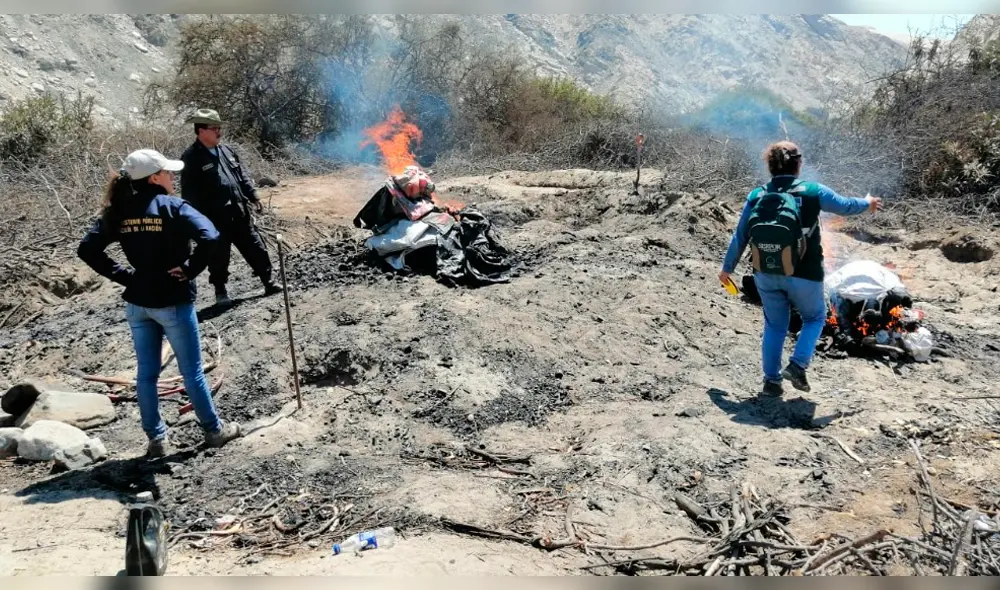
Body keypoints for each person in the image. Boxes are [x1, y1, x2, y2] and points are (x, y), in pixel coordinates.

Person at [78, 149, 242, 457]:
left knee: (146, 374)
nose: (172, 177)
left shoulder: (119, 210)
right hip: (172, 301)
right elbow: (210, 236)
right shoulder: (172, 207)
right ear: (154, 178)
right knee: (192, 371)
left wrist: (125, 277)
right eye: (167, 172)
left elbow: (87, 249)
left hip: (138, 303)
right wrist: (190, 269)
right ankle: (214, 431)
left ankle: (156, 440)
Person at [719, 141, 883, 396]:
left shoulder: (756, 195)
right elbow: (846, 206)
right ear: (798, 164)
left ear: (770, 165)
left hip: (765, 272)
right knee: (815, 317)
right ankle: (797, 365)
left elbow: (740, 236)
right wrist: (867, 202)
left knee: (775, 326)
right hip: (805, 273)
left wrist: (726, 269)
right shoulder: (813, 191)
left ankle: (771, 382)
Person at [179, 108, 281, 307]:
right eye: (214, 128)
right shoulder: (191, 157)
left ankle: (268, 282)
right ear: (201, 131)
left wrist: (253, 196)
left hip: (240, 212)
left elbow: (242, 176)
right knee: (218, 256)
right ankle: (221, 291)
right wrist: (197, 222)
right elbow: (189, 194)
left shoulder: (227, 151)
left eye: (219, 128)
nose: (219, 132)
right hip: (215, 219)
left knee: (256, 248)